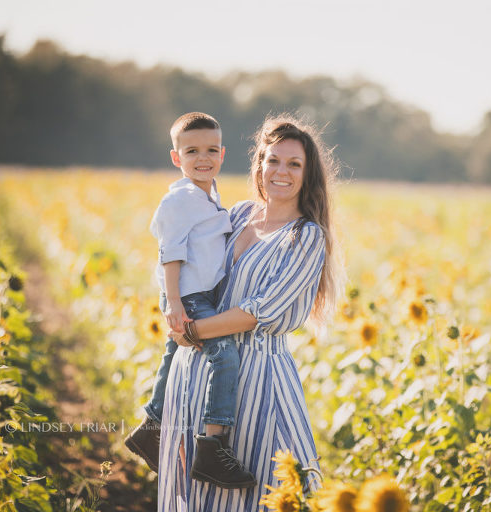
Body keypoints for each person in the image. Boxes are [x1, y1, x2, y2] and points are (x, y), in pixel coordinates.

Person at [158, 114, 342, 511]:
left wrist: (191, 331)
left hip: (259, 378)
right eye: (273, 160)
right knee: (195, 494)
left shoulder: (305, 235)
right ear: (259, 164)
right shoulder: (236, 214)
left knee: (267, 493)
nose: (281, 171)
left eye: (294, 164)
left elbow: (255, 312)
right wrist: (175, 311)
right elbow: (184, 261)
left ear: (307, 175)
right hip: (200, 371)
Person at [125, 112, 255, 488]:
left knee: (172, 352)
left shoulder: (208, 195)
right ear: (175, 157)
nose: (203, 157)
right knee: (225, 355)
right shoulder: (181, 199)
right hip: (191, 294)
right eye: (192, 150)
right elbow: (171, 252)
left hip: (199, 292)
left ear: (223, 153)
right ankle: (212, 448)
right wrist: (174, 302)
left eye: (211, 149)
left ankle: (151, 427)